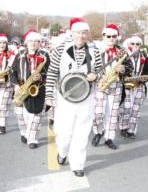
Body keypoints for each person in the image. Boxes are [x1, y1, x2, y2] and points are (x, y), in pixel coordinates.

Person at [45, 18, 103, 177]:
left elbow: (101, 72)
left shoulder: (94, 51)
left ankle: (77, 164)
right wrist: (49, 96)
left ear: (88, 34)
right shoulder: (60, 49)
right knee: (63, 132)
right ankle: (62, 152)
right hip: (64, 97)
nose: (81, 36)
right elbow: (51, 73)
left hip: (86, 98)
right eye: (78, 32)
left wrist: (95, 75)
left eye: (84, 33)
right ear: (72, 33)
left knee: (82, 132)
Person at [91, 24, 133, 150]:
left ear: (117, 37)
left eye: (114, 36)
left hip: (116, 86)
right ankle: (99, 131)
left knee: (112, 114)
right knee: (97, 113)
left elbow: (130, 67)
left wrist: (124, 68)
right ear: (103, 36)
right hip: (100, 85)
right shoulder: (95, 51)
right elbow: (89, 67)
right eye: (108, 36)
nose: (111, 38)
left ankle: (109, 138)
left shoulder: (122, 51)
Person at [11, 29, 50, 149]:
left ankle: (32, 139)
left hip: (38, 89)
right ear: (26, 42)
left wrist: (42, 76)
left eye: (36, 41)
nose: (33, 43)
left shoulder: (45, 55)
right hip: (22, 87)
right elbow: (13, 72)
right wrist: (16, 84)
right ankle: (23, 131)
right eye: (31, 41)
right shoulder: (20, 55)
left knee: (35, 115)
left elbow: (51, 72)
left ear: (39, 43)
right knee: (20, 115)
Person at [119, 35, 148, 139]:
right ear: (129, 44)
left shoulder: (144, 57)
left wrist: (143, 79)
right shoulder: (124, 55)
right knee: (126, 108)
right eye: (133, 44)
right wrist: (126, 78)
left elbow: (147, 72)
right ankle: (123, 128)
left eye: (137, 44)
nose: (135, 46)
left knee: (136, 109)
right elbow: (120, 71)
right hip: (127, 85)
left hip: (139, 86)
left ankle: (131, 130)